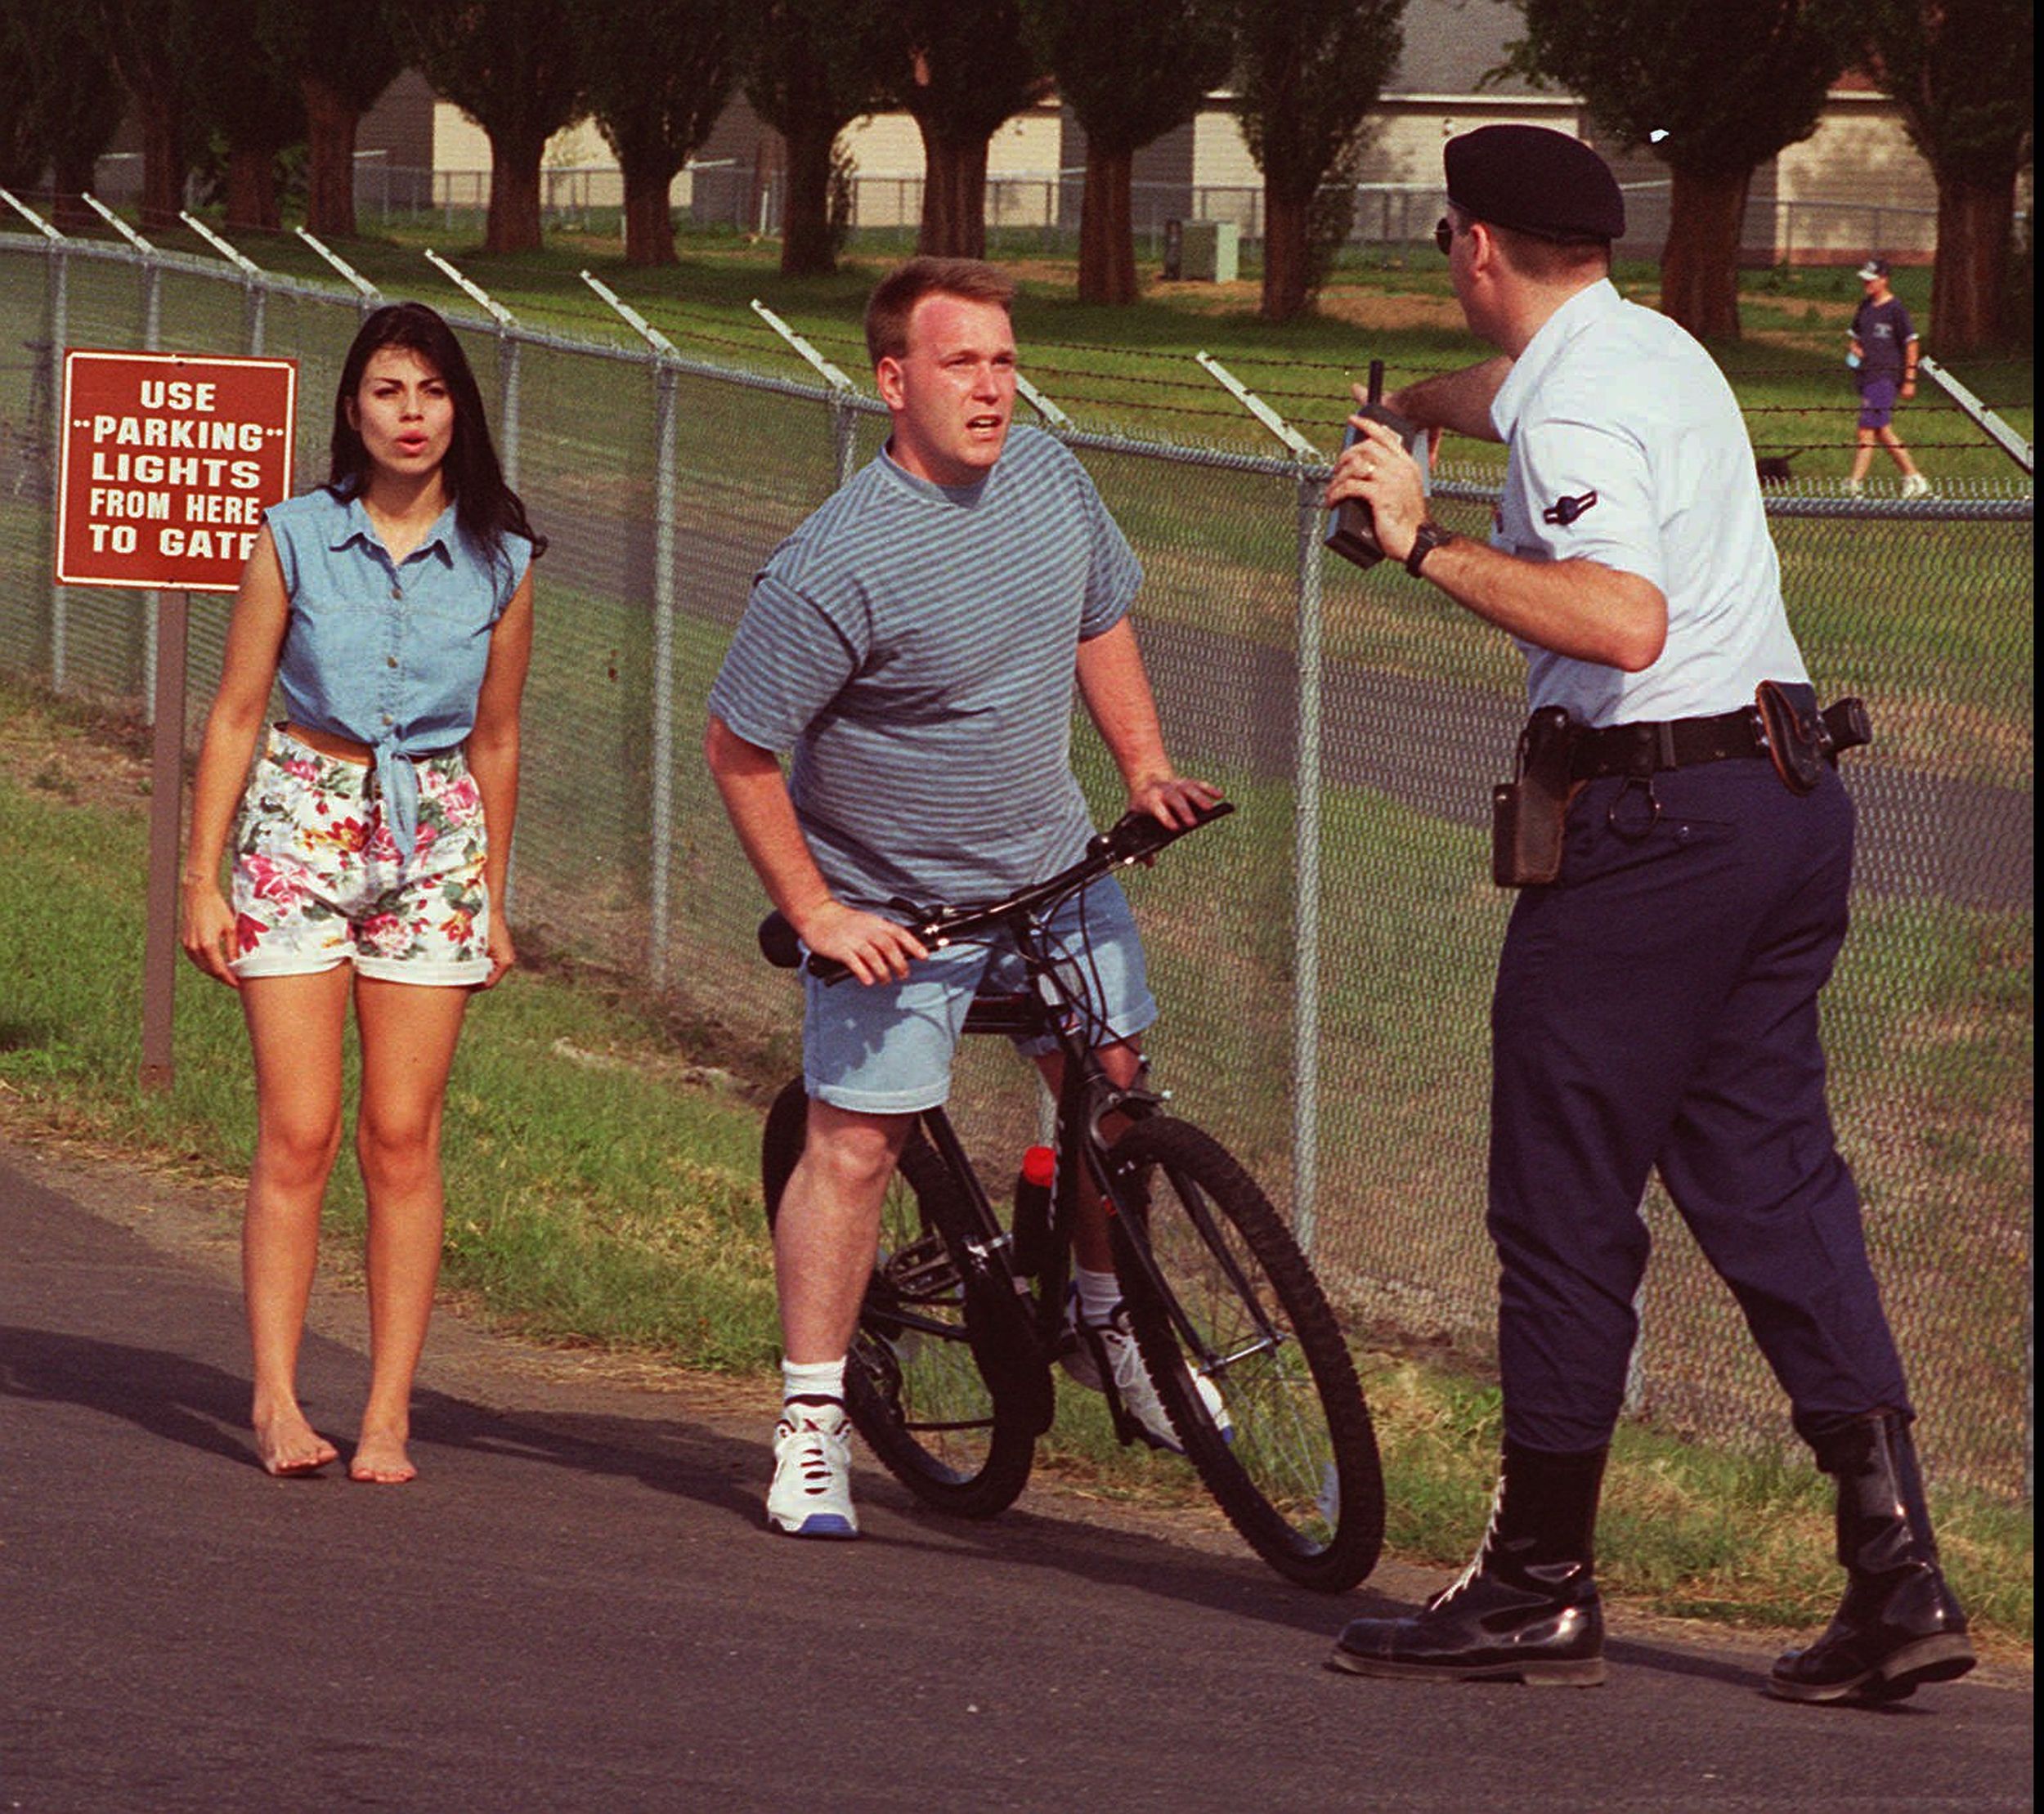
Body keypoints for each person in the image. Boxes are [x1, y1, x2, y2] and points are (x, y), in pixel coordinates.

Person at [1318, 127, 1973, 1702]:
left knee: (1563, 1197)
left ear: (1476, 246)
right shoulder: (1649, 348)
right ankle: (1897, 1572)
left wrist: (1420, 538)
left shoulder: (1577, 403)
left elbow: (1621, 620)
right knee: (1772, 1179)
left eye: (1449, 239)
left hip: (1656, 828)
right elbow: (1514, 394)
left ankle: (1538, 1580)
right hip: (1783, 802)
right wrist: (1418, 409)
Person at [705, 257, 1221, 1539]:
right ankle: (811, 1420)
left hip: (1047, 869)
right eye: (960, 364)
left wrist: (1145, 768)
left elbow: (1098, 616)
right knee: (858, 1144)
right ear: (894, 381)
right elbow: (739, 745)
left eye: (1003, 362)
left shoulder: (1049, 477)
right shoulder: (837, 562)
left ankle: (1106, 1317)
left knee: (1111, 1085)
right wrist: (820, 913)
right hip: (900, 908)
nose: (991, 389)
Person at [180, 302, 540, 1485]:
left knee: (401, 1133)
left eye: (431, 391)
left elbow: (497, 738)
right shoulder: (293, 535)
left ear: (459, 410)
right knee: (300, 1128)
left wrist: (491, 895)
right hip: (302, 817)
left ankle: (389, 1411)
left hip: (435, 839)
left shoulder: (502, 557)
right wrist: (202, 876)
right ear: (352, 409)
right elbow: (237, 710)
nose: (411, 414)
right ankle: (276, 1397)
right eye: (388, 390)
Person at [1847, 258, 1930, 496]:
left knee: (1866, 429)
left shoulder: (1896, 310)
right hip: (1867, 375)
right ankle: (1913, 477)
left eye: (1871, 280)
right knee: (1881, 429)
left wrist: (1909, 379)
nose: (1867, 285)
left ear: (1884, 280)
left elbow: (1911, 344)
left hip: (1885, 376)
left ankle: (1855, 483)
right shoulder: (1865, 307)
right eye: (1865, 281)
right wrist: (1856, 350)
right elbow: (1855, 338)